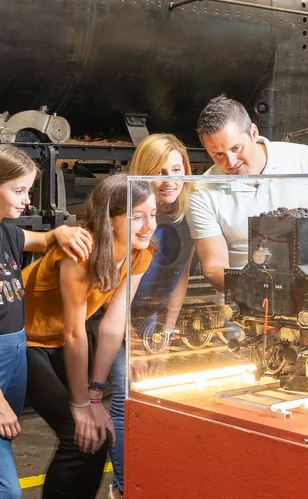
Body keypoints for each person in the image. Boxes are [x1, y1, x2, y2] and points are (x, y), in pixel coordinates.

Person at [0, 144, 94, 499]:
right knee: (5, 489)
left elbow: (43, 239)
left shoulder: (7, 232)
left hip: (15, 355)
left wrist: (63, 232)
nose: (27, 200)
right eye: (19, 190)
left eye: (27, 190)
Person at [20, 174, 156, 499]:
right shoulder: (81, 252)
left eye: (153, 214)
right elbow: (75, 332)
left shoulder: (140, 254)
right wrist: (81, 405)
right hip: (22, 340)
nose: (148, 225)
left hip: (59, 341)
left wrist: (95, 398)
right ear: (109, 221)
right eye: (136, 216)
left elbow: (111, 325)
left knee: (98, 435)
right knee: (76, 432)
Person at [106, 134, 195, 498]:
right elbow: (114, 291)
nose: (170, 180)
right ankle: (125, 489)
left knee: (157, 400)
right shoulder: (132, 216)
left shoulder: (187, 214)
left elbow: (180, 276)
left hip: (150, 319)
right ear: (143, 175)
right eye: (160, 172)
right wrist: (133, 346)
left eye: (177, 170)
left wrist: (166, 337)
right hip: (115, 317)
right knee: (123, 400)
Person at [186, 95, 308, 294]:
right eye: (218, 155)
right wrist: (261, 294)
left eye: (236, 148)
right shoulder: (202, 192)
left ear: (253, 132)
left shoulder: (304, 159)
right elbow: (214, 268)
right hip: (243, 300)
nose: (231, 162)